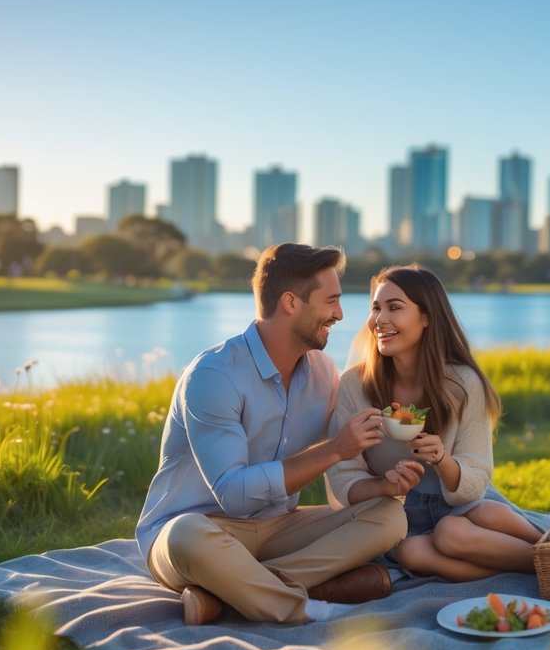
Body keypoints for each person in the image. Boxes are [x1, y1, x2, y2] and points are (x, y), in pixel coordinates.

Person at [136, 244, 408, 626]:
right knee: (185, 533)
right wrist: (333, 450)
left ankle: (227, 595)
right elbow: (232, 495)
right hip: (205, 530)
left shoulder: (323, 373)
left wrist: (395, 469)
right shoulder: (214, 376)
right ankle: (309, 606)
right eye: (331, 301)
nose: (340, 315)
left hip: (279, 526)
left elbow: (353, 452)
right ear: (290, 302)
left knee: (389, 516)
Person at [326, 264, 542, 582]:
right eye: (376, 308)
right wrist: (386, 485)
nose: (379, 320)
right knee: (412, 553)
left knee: (460, 527)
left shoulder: (462, 383)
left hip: (464, 507)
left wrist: (442, 459)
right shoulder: (354, 386)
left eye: (394, 308)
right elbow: (344, 481)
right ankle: (539, 566)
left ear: (426, 318)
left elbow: (476, 477)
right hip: (398, 515)